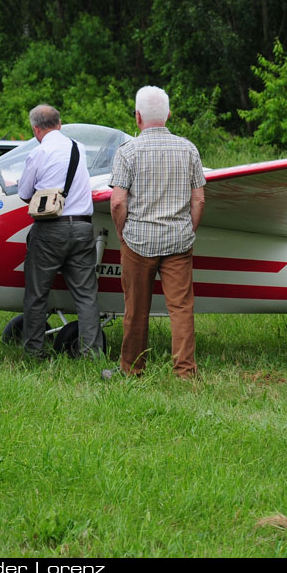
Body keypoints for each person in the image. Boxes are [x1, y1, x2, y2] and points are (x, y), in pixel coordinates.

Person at [104, 86, 206, 380]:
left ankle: (132, 369)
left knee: (135, 310)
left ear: (137, 117)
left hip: (138, 241)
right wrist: (188, 229)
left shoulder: (128, 152)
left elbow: (118, 201)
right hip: (178, 241)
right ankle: (185, 371)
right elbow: (198, 199)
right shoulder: (188, 149)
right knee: (182, 308)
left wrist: (122, 234)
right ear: (169, 115)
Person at [18, 105, 100, 359]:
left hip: (50, 230)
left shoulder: (38, 152)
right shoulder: (79, 149)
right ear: (60, 123)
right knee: (86, 295)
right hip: (83, 227)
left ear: (35, 129)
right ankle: (91, 352)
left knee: (37, 294)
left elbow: (23, 193)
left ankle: (34, 350)